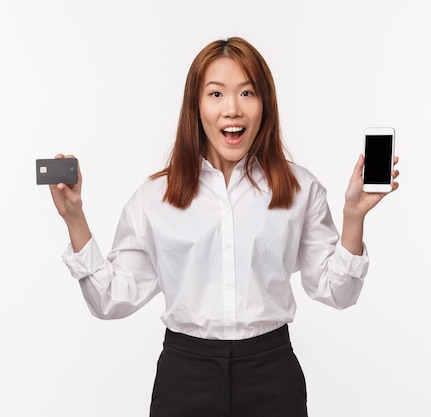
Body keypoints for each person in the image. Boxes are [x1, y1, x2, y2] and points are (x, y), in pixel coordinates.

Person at [49, 37, 399, 417]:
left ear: (265, 103)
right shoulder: (155, 197)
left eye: (247, 92)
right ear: (195, 106)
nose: (232, 109)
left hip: (272, 374)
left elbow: (338, 293)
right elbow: (110, 298)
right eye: (216, 94)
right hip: (185, 376)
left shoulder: (299, 188)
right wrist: (74, 218)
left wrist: (353, 218)